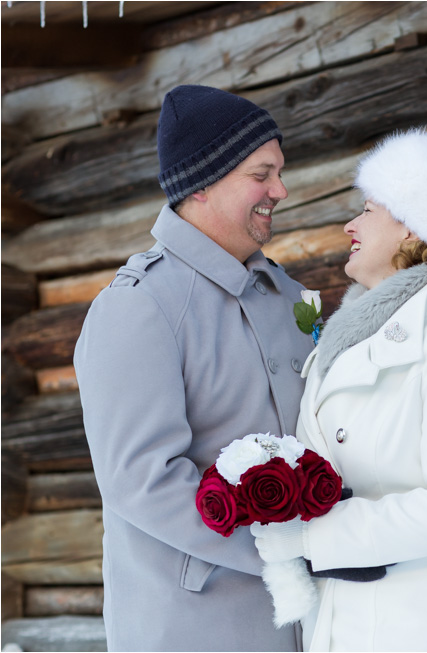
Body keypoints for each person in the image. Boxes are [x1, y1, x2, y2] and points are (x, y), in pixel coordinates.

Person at [250, 129, 427, 651]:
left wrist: (310, 537)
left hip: (424, 626)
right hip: (344, 623)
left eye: (368, 210)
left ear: (415, 229)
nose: (350, 224)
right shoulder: (342, 345)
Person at [74, 85, 311, 652]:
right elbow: (142, 477)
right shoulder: (139, 305)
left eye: (279, 172)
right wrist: (285, 550)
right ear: (203, 182)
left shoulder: (289, 298)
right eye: (262, 174)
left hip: (310, 621)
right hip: (197, 625)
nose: (279, 190)